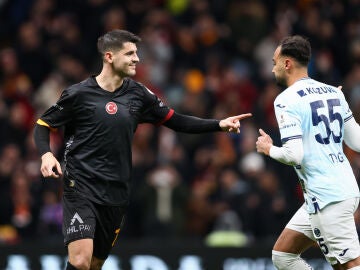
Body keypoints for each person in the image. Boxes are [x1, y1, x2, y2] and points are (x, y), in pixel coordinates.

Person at [33, 29, 251, 270]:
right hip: (81, 187)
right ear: (109, 57)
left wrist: (218, 124)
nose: (137, 58)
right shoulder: (78, 94)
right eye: (130, 53)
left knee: (94, 265)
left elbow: (175, 120)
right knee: (80, 261)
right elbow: (43, 125)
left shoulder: (138, 94)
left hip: (116, 193)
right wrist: (46, 154)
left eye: (136, 53)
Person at [256, 35, 360, 270]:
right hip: (334, 192)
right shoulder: (334, 93)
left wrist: (268, 148)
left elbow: (294, 155)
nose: (272, 69)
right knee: (283, 256)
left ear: (287, 64)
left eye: (274, 62)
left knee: (350, 266)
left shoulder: (285, 100)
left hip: (328, 197)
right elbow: (357, 142)